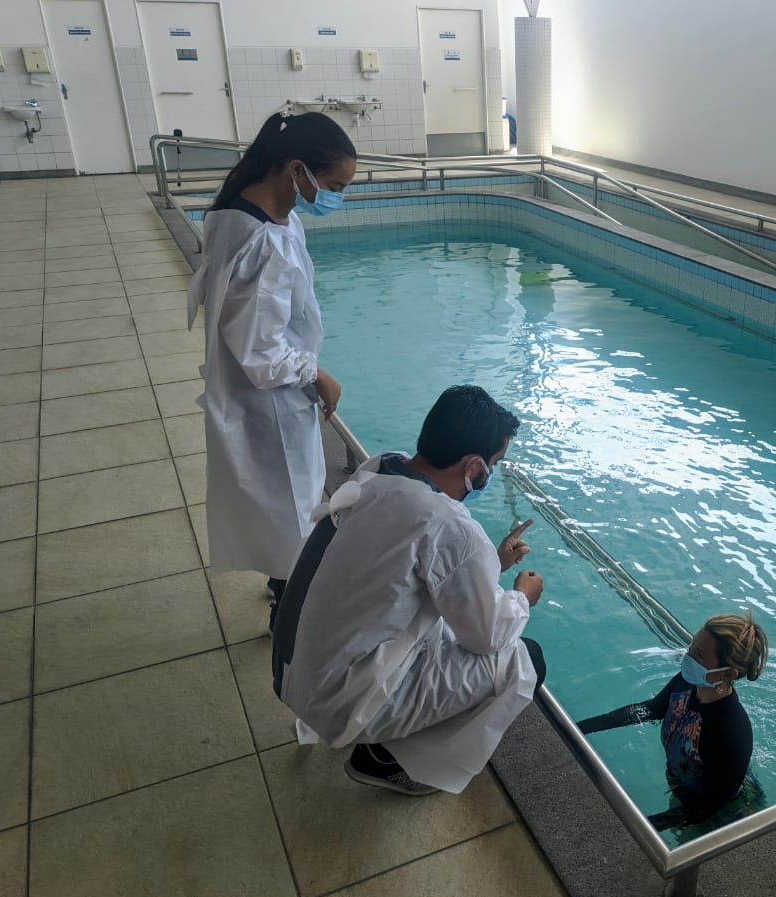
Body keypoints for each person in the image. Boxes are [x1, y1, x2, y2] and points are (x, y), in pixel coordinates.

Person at [270, 385, 546, 796]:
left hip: (291, 669)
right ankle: (388, 761)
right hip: (337, 702)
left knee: (443, 625)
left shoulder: (382, 469)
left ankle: (389, 732)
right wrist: (522, 597)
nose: (491, 474)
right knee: (524, 660)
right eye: (493, 464)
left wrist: (495, 563)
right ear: (472, 466)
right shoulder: (448, 525)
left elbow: (412, 563)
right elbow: (486, 635)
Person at [187, 111, 356, 623]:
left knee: (285, 508)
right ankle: (293, 613)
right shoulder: (265, 242)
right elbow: (261, 352)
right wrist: (316, 373)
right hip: (270, 402)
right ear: (296, 170)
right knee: (293, 507)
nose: (336, 197)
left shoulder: (243, 214)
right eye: (332, 185)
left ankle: (287, 585)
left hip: (258, 396)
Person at [577, 613, 768, 835]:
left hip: (727, 813)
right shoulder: (686, 683)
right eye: (691, 645)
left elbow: (708, 806)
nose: (687, 657)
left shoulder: (731, 731)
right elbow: (648, 710)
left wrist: (638, 828)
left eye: (698, 655)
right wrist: (580, 728)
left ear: (726, 674)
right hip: (687, 791)